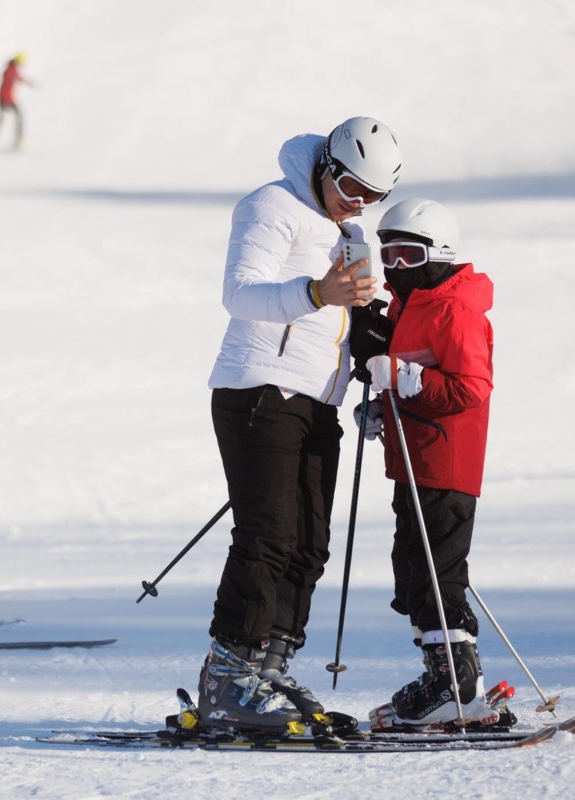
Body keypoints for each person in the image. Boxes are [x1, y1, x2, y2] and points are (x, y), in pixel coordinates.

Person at [200, 117, 403, 734]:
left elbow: (347, 311)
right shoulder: (272, 204)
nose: (358, 202)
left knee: (310, 540)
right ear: (325, 166)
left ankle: (270, 666)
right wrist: (319, 292)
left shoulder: (348, 230)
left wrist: (370, 331)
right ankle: (229, 676)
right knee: (267, 536)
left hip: (318, 398)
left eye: (373, 197)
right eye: (350, 186)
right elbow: (240, 293)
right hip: (259, 387)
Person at [355, 199, 498, 730]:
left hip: (445, 463)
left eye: (408, 255)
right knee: (416, 576)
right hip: (412, 462)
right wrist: (382, 406)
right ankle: (444, 677)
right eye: (388, 253)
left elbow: (471, 388)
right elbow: (404, 375)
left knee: (439, 577)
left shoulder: (452, 308)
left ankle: (453, 686)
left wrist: (403, 378)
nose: (395, 266)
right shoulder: (406, 306)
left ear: (438, 255)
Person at [0, 53, 32, 150]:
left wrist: (27, 82)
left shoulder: (12, 69)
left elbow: (17, 77)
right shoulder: (9, 71)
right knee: (5, 119)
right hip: (5, 99)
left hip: (8, 98)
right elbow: (9, 81)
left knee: (4, 119)